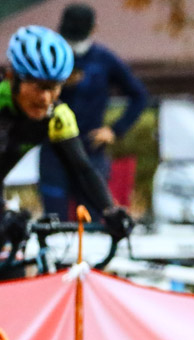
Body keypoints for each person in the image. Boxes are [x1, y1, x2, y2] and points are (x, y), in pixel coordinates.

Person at [1, 26, 131, 249]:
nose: (45, 98)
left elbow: (82, 169)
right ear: (12, 77)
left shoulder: (57, 115)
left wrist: (110, 211)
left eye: (53, 87)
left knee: (15, 265)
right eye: (38, 86)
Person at [39, 3, 148, 221]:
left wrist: (115, 130)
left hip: (90, 149)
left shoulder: (103, 60)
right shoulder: (51, 55)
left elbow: (139, 96)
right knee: (53, 219)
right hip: (55, 149)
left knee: (92, 218)